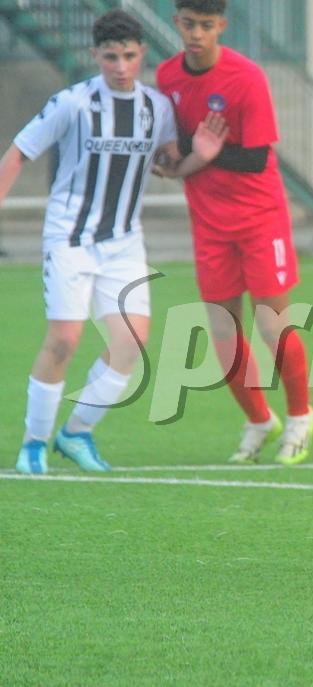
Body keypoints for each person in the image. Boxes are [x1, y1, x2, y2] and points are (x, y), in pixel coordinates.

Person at [1, 10, 226, 474]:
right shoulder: (73, 103)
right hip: (71, 238)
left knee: (131, 343)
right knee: (63, 341)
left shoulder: (156, 108)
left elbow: (167, 166)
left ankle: (76, 432)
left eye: (128, 56)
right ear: (95, 56)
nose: (120, 67)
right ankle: (33, 444)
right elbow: (19, 152)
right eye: (110, 57)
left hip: (124, 242)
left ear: (141, 53)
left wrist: (199, 158)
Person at [156, 0, 313, 465]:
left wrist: (201, 151)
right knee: (223, 330)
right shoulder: (167, 77)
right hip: (208, 223)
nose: (197, 34)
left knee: (272, 325)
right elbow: (174, 146)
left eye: (206, 25)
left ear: (222, 26)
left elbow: (255, 157)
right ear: (176, 22)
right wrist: (171, 157)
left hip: (260, 219)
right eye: (189, 24)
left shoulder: (246, 78)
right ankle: (259, 420)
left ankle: (300, 416)